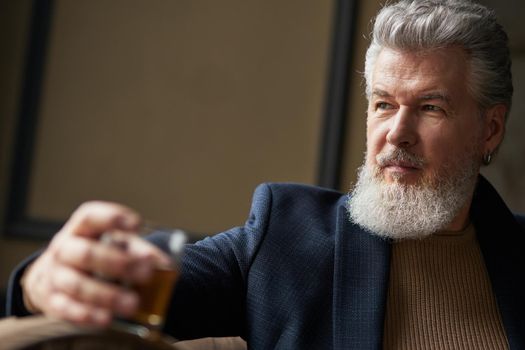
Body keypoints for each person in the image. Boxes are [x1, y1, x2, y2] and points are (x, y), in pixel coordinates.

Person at [6, 0, 525, 348]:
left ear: (490, 129)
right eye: (384, 104)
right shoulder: (285, 234)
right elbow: (162, 285)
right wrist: (47, 281)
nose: (397, 132)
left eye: (430, 108)